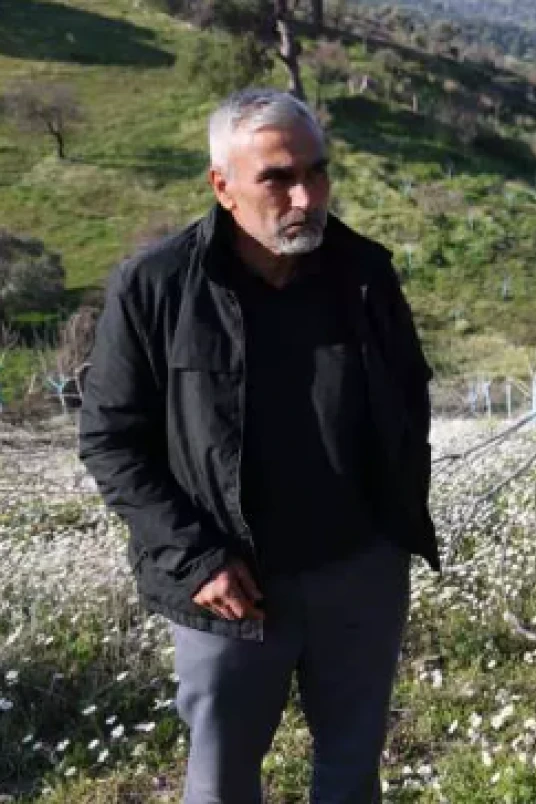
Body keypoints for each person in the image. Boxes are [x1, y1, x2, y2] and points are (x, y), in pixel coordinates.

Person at [78, 89, 437, 804]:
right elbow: (111, 440)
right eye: (277, 177)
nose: (305, 196)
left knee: (350, 773)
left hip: (359, 574)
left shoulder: (365, 273)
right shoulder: (156, 288)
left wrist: (390, 534)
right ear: (223, 185)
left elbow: (409, 399)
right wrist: (197, 559)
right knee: (221, 783)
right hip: (231, 590)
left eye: (317, 171)